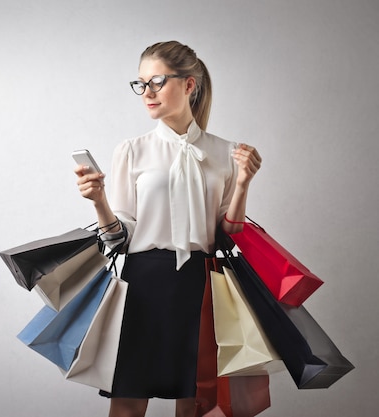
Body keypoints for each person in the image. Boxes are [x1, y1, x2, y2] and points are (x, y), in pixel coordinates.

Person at [74, 41, 262, 417]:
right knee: (127, 402)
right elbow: (119, 238)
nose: (147, 93)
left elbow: (229, 234)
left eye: (157, 81)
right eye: (140, 84)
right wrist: (98, 201)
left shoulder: (226, 151)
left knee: (195, 403)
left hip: (200, 283)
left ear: (189, 85)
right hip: (142, 284)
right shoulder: (132, 150)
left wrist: (243, 183)